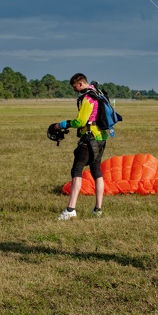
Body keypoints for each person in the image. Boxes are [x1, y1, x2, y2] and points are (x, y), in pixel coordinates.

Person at [54, 73, 109, 220]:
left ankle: (70, 209)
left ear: (80, 84)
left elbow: (80, 121)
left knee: (76, 170)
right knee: (96, 171)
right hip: (102, 138)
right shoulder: (98, 93)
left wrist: (62, 124)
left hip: (89, 139)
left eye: (74, 87)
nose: (74, 90)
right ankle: (98, 209)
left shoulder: (87, 98)